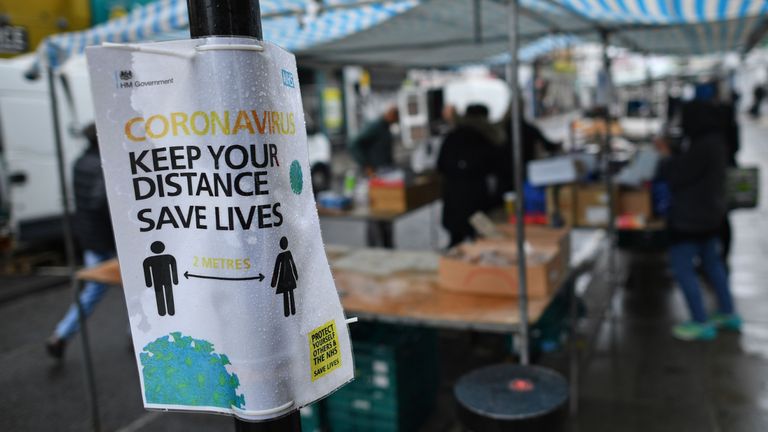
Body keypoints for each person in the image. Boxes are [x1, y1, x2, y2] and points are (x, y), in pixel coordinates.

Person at [655, 101, 742, 341]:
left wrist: (665, 156)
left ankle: (700, 321)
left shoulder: (703, 145)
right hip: (711, 215)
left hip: (690, 218)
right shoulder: (718, 141)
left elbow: (677, 175)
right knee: (713, 265)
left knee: (683, 268)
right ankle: (727, 312)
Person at [46, 124, 116, 359]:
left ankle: (61, 335)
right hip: (108, 240)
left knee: (92, 290)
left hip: (89, 238)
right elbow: (101, 202)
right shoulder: (103, 164)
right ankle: (140, 336)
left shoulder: (80, 162)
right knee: (139, 289)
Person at [437, 104, 500, 246]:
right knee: (479, 241)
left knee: (455, 240)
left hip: (454, 195)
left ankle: (455, 266)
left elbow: (440, 165)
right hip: (475, 197)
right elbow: (495, 165)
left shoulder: (452, 136)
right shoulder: (485, 137)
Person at [347, 106, 399, 172]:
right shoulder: (376, 126)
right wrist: (366, 165)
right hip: (376, 170)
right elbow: (353, 143)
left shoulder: (386, 127)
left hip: (385, 168)